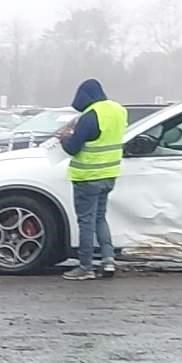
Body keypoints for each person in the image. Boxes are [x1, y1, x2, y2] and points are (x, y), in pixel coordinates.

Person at [60, 78, 128, 278]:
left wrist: (65, 138)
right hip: (109, 174)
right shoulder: (118, 110)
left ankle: (85, 267)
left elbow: (73, 148)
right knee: (100, 218)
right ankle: (108, 261)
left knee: (86, 222)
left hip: (87, 176)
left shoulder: (91, 116)